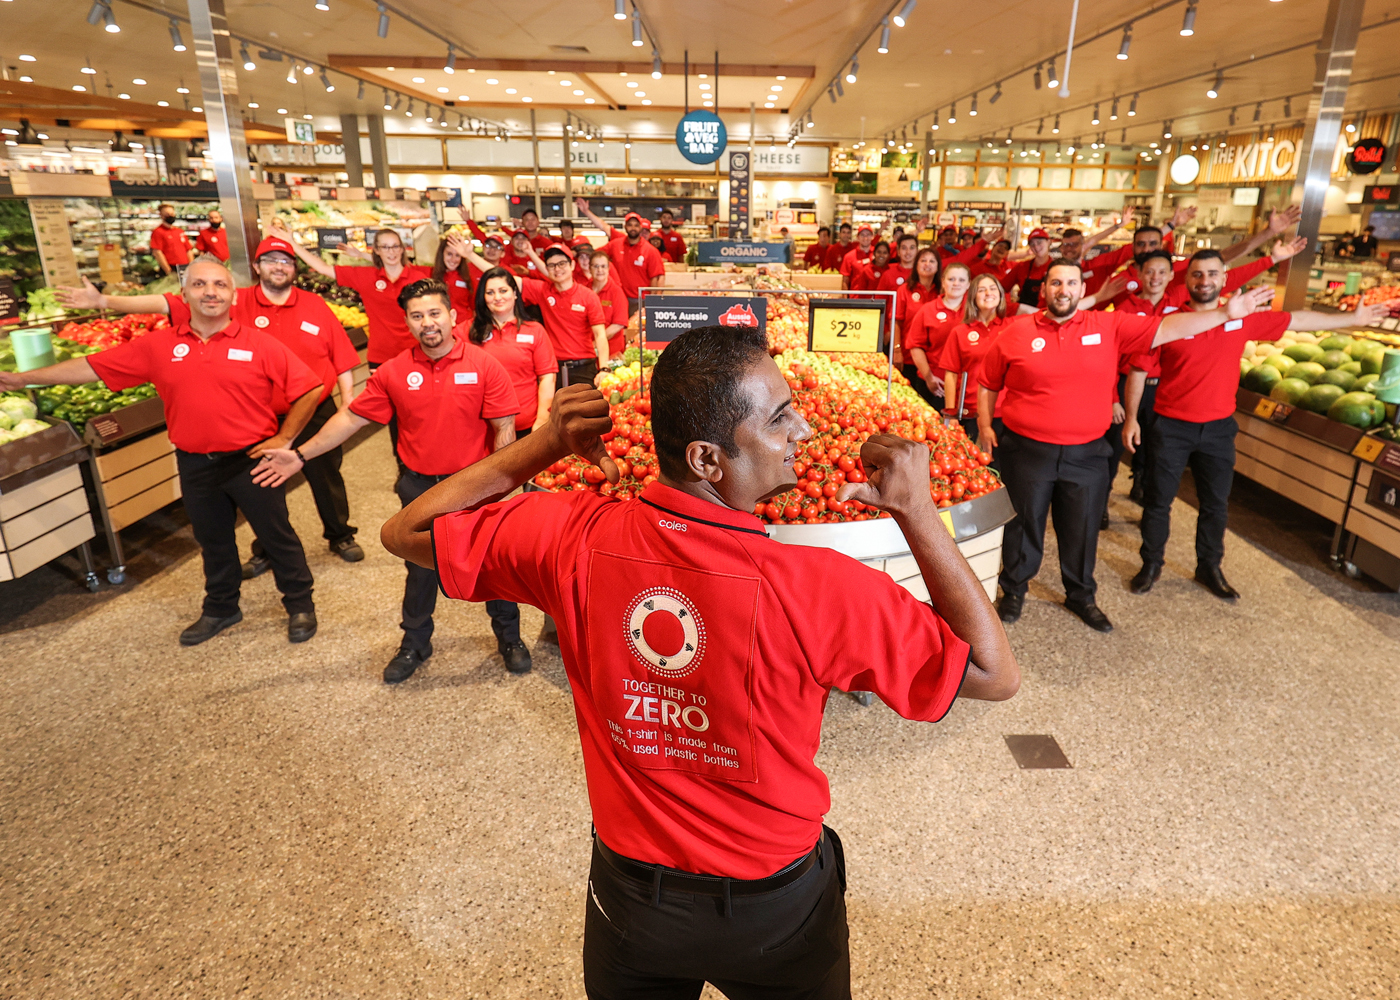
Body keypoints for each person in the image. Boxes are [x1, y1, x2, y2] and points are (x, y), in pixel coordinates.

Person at [379, 325, 1020, 998]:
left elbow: (407, 532)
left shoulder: (572, 537)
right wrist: (918, 513)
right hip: (778, 909)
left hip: (633, 903)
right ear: (708, 460)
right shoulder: (822, 588)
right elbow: (993, 675)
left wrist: (543, 444)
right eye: (777, 418)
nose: (802, 428)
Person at [4, 257, 323, 645]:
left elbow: (309, 387)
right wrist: (23, 380)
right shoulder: (159, 345)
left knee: (278, 537)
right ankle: (221, 608)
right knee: (212, 541)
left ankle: (300, 605)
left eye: (220, 285)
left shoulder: (259, 343)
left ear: (232, 295)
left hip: (253, 461)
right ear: (184, 293)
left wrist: (285, 438)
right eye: (201, 284)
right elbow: (91, 367)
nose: (210, 292)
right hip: (194, 464)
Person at [977, 259, 1278, 633]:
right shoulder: (1017, 332)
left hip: (1086, 453)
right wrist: (986, 425)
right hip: (1027, 450)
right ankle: (1015, 590)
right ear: (1045, 290)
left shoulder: (1109, 325)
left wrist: (1222, 314)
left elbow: (1169, 327)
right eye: (1056, 283)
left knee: (1083, 527)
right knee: (1023, 524)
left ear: (1081, 290)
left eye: (1071, 282)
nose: (1063, 290)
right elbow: (988, 381)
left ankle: (1081, 595)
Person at [253, 278, 521, 681]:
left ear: (452, 316)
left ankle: (510, 638)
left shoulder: (484, 365)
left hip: (473, 485)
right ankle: (415, 643)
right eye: (417, 316)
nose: (427, 323)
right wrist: (299, 454)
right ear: (408, 323)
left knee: (488, 563)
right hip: (418, 487)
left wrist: (502, 489)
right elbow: (349, 418)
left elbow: (504, 429)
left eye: (434, 313)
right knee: (420, 568)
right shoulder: (395, 371)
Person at [57, 235, 369, 572]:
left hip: (312, 406)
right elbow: (165, 304)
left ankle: (340, 534)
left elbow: (340, 354)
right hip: (257, 414)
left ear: (295, 268)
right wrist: (103, 300)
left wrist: (347, 401)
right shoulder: (233, 301)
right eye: (271, 261)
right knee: (266, 488)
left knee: (325, 474)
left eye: (286, 262)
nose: (279, 267)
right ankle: (265, 549)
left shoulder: (314, 304)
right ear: (256, 267)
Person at [1128, 253, 1391, 600]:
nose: (1204, 280)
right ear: (1187, 280)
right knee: (1159, 502)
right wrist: (1131, 417)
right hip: (1171, 426)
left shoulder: (1244, 319)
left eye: (1212, 273)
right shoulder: (1171, 322)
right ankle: (1151, 564)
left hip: (1219, 428)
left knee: (1215, 504)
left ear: (1224, 280)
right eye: (1196, 274)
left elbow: (1295, 319)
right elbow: (1138, 370)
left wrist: (1351, 318)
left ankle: (1209, 566)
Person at [453, 233, 609, 387]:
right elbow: (504, 279)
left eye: (562, 263)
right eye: (552, 265)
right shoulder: (542, 290)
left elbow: (600, 334)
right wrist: (471, 255)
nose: (557, 269)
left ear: (572, 265)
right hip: (553, 369)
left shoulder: (588, 296)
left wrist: (604, 368)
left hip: (584, 368)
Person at [273, 219, 429, 368]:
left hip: (418, 353)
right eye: (385, 247)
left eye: (395, 246)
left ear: (402, 249)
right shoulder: (366, 276)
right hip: (381, 357)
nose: (392, 252)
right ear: (377, 250)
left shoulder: (419, 278)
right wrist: (293, 244)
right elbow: (323, 268)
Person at [939, 272, 1010, 448]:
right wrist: (950, 414)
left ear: (1000, 294)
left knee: (1001, 469)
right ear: (973, 297)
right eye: (982, 290)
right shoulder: (960, 331)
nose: (988, 293)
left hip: (1005, 412)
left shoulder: (1012, 328)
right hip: (970, 411)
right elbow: (951, 375)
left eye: (993, 289)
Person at [575, 198, 667, 313]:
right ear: (625, 227)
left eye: (636, 225)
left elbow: (657, 277)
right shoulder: (616, 244)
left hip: (641, 300)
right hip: (617, 298)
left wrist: (654, 302)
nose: (633, 228)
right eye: (630, 225)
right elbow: (596, 251)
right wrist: (577, 253)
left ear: (640, 227)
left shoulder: (650, 251)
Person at [904, 261, 972, 407]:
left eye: (961, 280)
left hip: (967, 387)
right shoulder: (928, 310)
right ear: (943, 281)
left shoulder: (976, 311)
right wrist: (929, 378)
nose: (956, 284)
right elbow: (915, 346)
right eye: (951, 279)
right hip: (936, 384)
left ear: (968, 285)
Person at [894, 246, 941, 370]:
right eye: (923, 260)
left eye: (932, 261)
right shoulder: (904, 290)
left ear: (937, 266)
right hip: (907, 356)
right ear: (916, 265)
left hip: (935, 359)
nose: (927, 264)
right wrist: (896, 350)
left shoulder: (943, 292)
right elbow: (896, 322)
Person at [1000, 228, 1053, 314]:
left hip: (1048, 316)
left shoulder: (1057, 268)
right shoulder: (1022, 267)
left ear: (1049, 242)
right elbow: (1001, 288)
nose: (1036, 247)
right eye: (1032, 244)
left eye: (1039, 242)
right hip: (1024, 316)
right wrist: (1009, 306)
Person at [588, 249, 630, 358]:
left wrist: (596, 342)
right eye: (596, 266)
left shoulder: (616, 292)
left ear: (608, 268)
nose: (600, 270)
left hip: (611, 352)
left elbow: (618, 325)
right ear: (589, 268)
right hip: (587, 350)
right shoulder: (584, 290)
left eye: (603, 266)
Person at [432, 234, 477, 316]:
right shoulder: (430, 275)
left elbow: (475, 307)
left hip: (463, 325)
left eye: (457, 255)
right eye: (449, 254)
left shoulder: (468, 279)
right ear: (442, 254)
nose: (453, 259)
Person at [149, 203, 191, 279]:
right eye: (167, 214)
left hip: (184, 267)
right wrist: (168, 270)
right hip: (171, 267)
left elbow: (188, 250)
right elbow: (157, 252)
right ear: (161, 216)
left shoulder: (179, 231)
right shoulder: (158, 232)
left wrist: (191, 266)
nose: (171, 216)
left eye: (172, 213)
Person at [839, 225, 877, 289]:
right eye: (862, 235)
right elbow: (845, 281)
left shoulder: (878, 255)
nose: (865, 238)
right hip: (856, 297)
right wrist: (845, 298)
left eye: (868, 235)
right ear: (857, 237)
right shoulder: (849, 257)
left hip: (875, 297)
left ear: (872, 236)